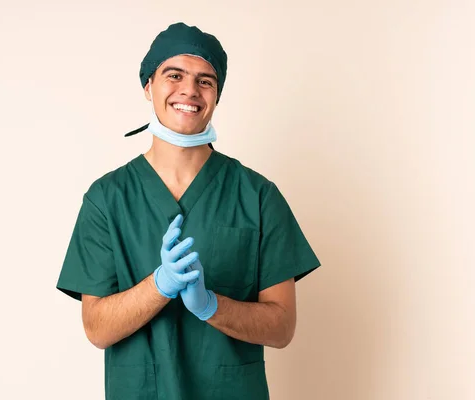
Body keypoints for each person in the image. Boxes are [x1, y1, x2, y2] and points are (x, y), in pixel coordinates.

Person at [56, 22, 321, 400]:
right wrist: (158, 286)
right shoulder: (107, 199)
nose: (189, 91)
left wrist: (211, 305)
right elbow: (97, 328)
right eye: (174, 75)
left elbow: (282, 327)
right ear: (148, 86)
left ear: (217, 95)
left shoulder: (258, 196)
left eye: (205, 81)